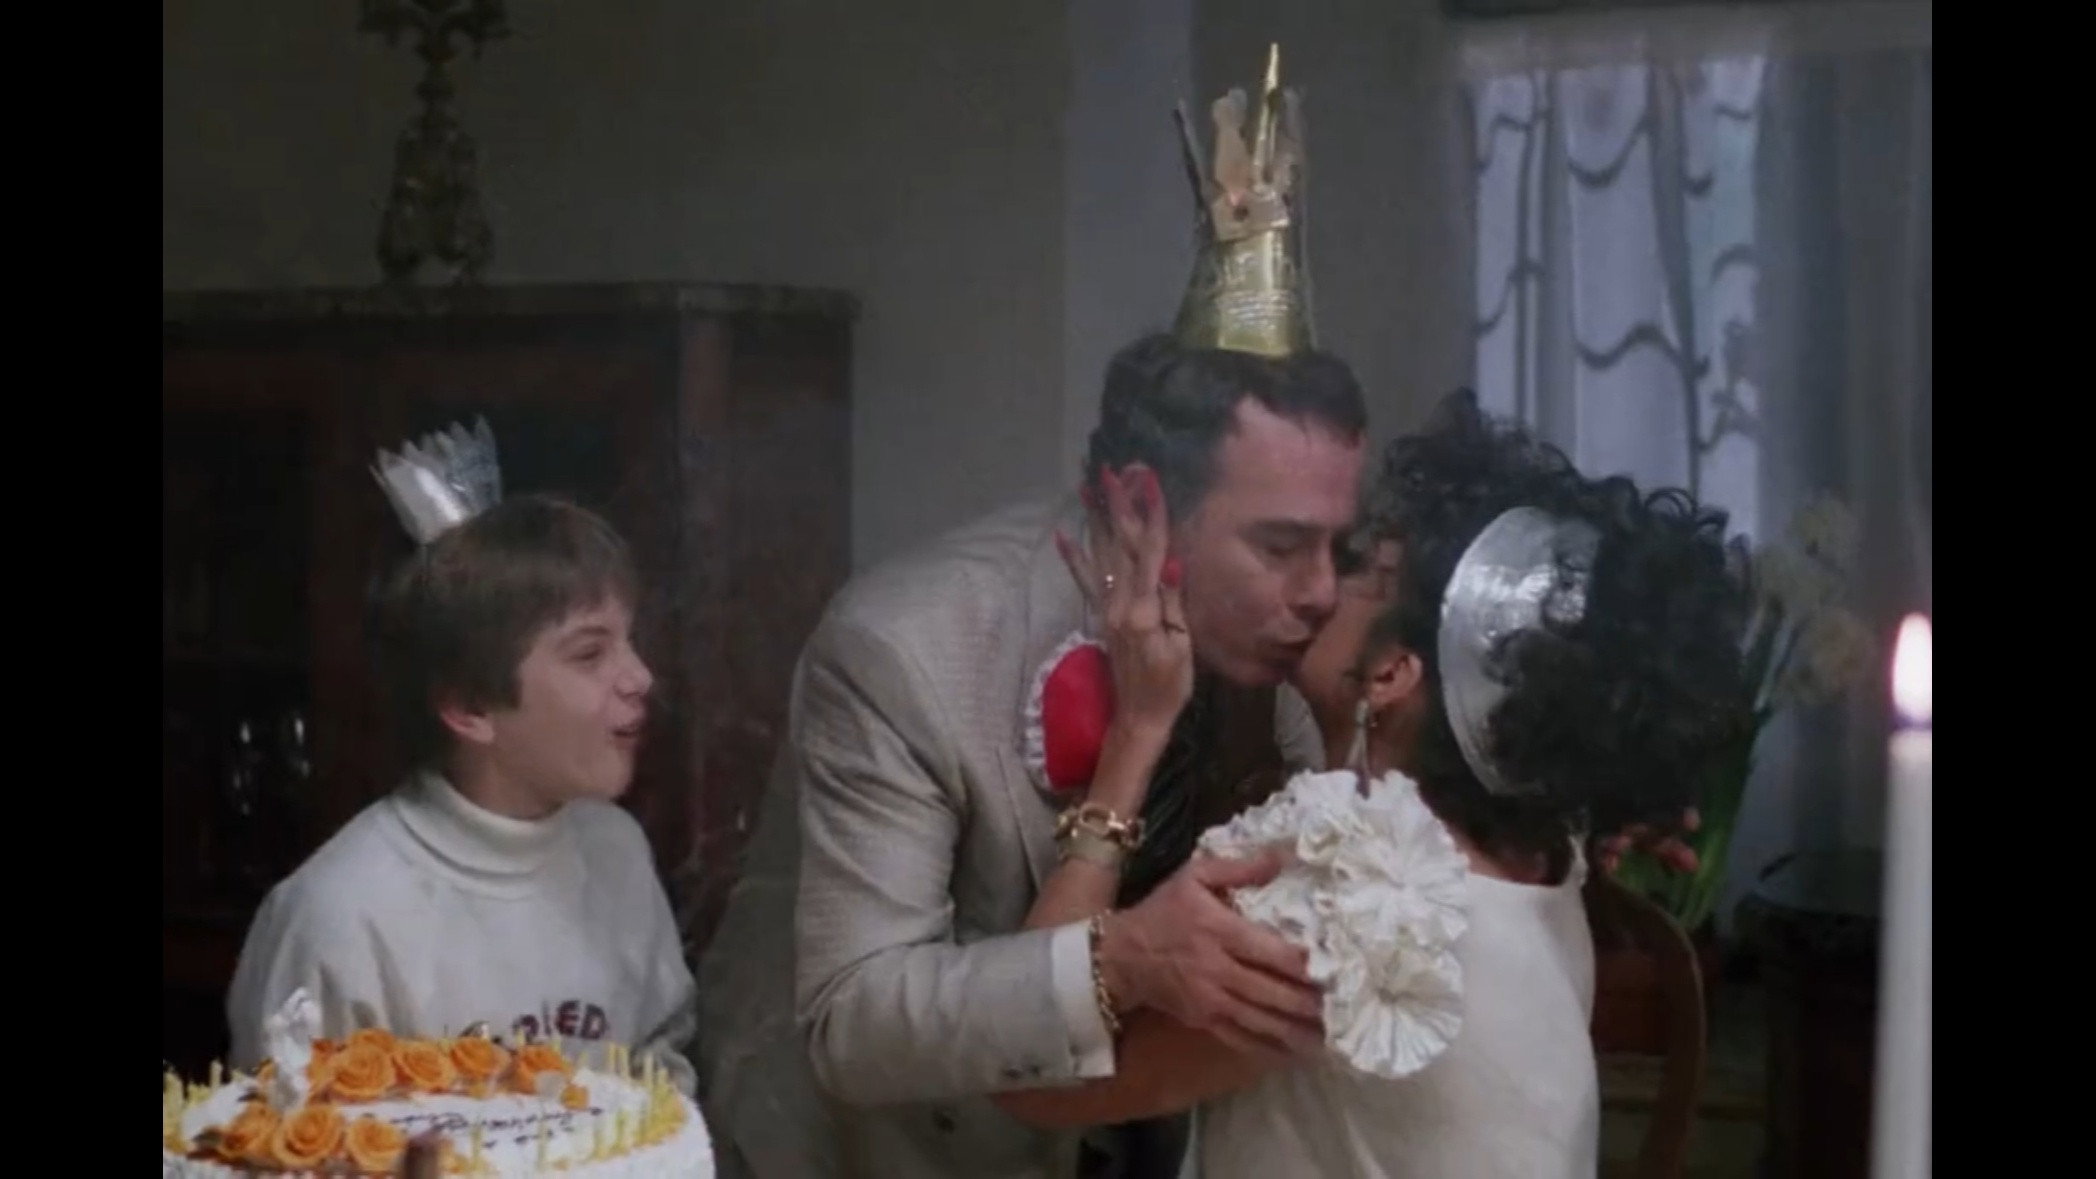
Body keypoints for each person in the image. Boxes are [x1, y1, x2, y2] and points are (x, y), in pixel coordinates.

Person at [994, 388, 1751, 1178]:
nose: (1323, 587)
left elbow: (1025, 1069)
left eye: (1365, 571)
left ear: (1390, 674)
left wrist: (1135, 735)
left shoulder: (1354, 908)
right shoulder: (1544, 851)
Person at [227, 421, 698, 1093]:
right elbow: (277, 1129)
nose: (640, 677)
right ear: (470, 706)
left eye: (629, 640)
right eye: (590, 653)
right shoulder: (340, 915)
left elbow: (661, 1062)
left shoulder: (616, 849)